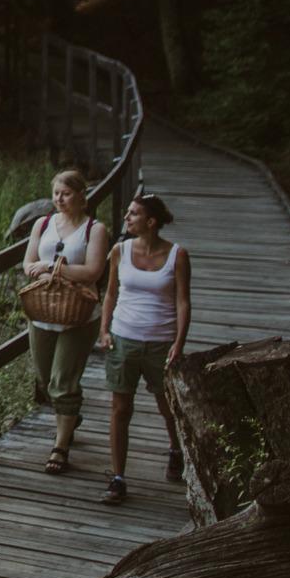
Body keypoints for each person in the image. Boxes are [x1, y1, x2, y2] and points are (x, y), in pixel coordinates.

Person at [96, 192, 192, 504]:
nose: (126, 218)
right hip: (124, 337)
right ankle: (118, 477)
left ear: (151, 222)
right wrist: (104, 329)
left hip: (161, 341)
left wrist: (179, 342)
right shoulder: (119, 251)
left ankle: (176, 449)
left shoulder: (177, 255)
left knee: (168, 406)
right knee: (120, 408)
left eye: (133, 214)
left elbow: (182, 301)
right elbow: (110, 294)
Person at [25, 169, 110, 474]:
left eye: (66, 194)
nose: (59, 199)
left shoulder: (95, 230)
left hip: (79, 315)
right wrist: (45, 268)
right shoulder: (43, 224)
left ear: (81, 196)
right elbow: (28, 263)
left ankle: (60, 447)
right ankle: (71, 414)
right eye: (56, 193)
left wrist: (52, 268)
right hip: (43, 312)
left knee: (63, 382)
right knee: (46, 381)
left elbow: (93, 272)